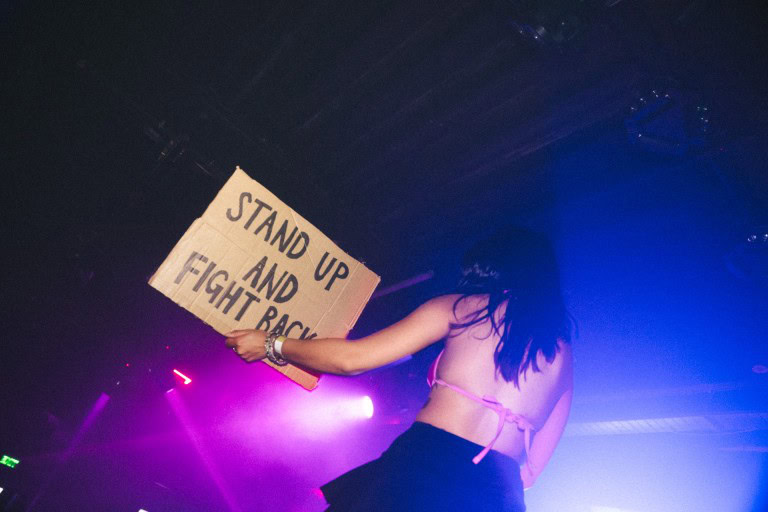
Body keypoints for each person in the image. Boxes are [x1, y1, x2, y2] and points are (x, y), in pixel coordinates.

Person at [225, 226, 574, 512]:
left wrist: (273, 344)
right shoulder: (563, 357)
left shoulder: (464, 309)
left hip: (427, 467)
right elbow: (531, 472)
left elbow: (352, 360)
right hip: (498, 495)